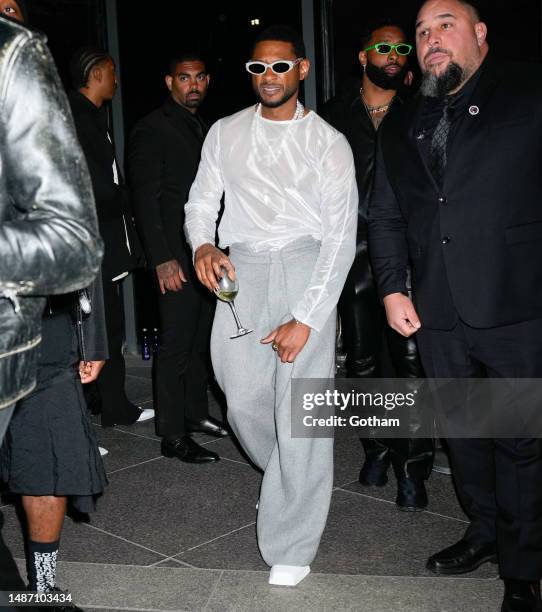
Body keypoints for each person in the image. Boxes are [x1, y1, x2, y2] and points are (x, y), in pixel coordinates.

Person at [368, 1, 542, 610]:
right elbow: (386, 212)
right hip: (437, 307)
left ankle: (523, 570)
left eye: (445, 25)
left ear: (480, 33)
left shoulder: (526, 91)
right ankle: (485, 531)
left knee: (522, 441)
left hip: (518, 300)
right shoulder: (402, 120)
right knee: (465, 434)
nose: (431, 38)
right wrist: (392, 286)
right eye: (421, 32)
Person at [185, 25, 357, 586]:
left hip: (308, 267)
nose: (269, 77)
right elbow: (201, 201)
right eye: (258, 68)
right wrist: (202, 243)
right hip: (244, 268)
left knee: (302, 411)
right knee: (243, 400)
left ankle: (294, 541)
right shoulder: (224, 131)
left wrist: (308, 316)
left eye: (280, 66)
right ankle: (289, 486)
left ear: (302, 69)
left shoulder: (328, 142)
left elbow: (340, 237)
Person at [0, 2, 103, 607]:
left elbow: (79, 231)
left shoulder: (36, 97)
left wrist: (94, 339)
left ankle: (42, 590)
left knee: (48, 461)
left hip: (44, 329)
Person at [322, 19, 434, 512]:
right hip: (349, 254)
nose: (394, 55)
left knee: (411, 364)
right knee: (363, 363)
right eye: (384, 47)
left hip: (409, 255)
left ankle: (413, 468)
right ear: (363, 55)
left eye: (402, 48)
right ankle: (377, 448)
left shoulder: (422, 114)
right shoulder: (329, 116)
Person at [129, 53, 227, 464]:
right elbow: (145, 201)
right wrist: (162, 258)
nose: (194, 85)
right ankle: (172, 435)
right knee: (174, 345)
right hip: (174, 254)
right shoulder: (152, 128)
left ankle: (194, 413)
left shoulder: (200, 124)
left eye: (200, 77)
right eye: (185, 77)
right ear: (170, 81)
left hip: (201, 251)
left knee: (200, 338)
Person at [68, 47, 153, 428]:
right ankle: (88, 418)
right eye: (112, 72)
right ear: (97, 73)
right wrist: (127, 195)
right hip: (91, 246)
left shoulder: (90, 115)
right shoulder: (79, 117)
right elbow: (93, 187)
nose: (116, 80)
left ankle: (113, 406)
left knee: (106, 329)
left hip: (103, 245)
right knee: (95, 333)